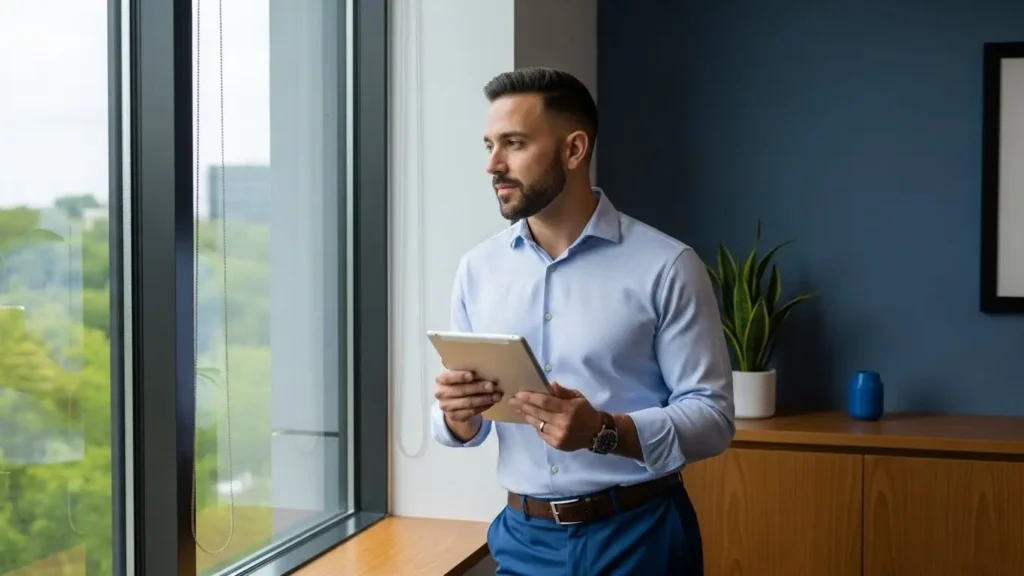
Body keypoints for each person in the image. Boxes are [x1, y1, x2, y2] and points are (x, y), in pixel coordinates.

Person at [430, 67, 735, 575]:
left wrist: (605, 431)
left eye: (514, 143)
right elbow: (466, 424)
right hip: (522, 539)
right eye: (488, 145)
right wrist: (458, 417)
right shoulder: (476, 270)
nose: (493, 165)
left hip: (640, 538)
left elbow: (713, 419)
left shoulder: (667, 266)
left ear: (574, 150)